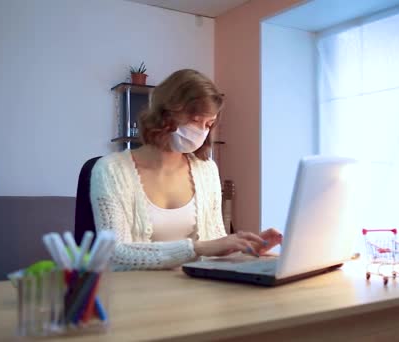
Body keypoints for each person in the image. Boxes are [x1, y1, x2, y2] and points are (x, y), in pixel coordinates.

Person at [90, 69, 282, 270]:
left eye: (209, 124)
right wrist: (197, 248)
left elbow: (214, 246)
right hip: (138, 294)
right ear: (165, 114)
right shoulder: (110, 170)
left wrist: (244, 251)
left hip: (197, 291)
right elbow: (115, 255)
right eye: (195, 120)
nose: (202, 131)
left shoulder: (207, 171)